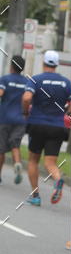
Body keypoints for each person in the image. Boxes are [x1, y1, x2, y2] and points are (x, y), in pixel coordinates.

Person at [22, 50, 71, 206]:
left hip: (37, 124)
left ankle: (35, 195)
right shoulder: (66, 82)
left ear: (43, 62)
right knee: (50, 162)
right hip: (57, 126)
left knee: (33, 160)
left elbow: (26, 97)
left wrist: (25, 111)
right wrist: (65, 112)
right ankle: (58, 180)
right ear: (57, 64)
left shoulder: (35, 79)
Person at [0, 55, 28, 184]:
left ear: (11, 66)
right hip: (20, 119)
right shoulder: (26, 82)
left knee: (1, 148)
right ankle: (17, 163)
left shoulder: (5, 79)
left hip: (4, 118)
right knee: (15, 144)